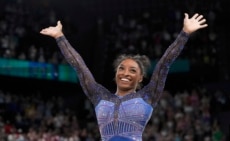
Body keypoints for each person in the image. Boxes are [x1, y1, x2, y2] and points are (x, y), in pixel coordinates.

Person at [40, 13, 208, 141]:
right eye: (122, 68)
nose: (126, 73)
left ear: (141, 78)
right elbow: (79, 67)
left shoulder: (148, 96)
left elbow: (164, 64)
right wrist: (60, 37)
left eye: (133, 71)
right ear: (116, 74)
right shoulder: (100, 96)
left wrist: (185, 33)